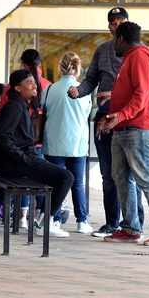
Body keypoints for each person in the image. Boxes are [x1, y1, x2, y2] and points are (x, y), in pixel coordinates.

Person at [68, 7, 144, 238]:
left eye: (120, 21)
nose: (115, 25)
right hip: (103, 118)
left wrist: (116, 96)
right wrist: (78, 91)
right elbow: (91, 80)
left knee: (131, 171)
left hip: (128, 119)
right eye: (112, 22)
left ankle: (134, 222)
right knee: (108, 173)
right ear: (109, 26)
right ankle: (113, 223)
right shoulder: (102, 50)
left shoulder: (140, 54)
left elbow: (142, 88)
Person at [99, 22, 149, 246]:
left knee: (144, 177)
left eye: (114, 38)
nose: (113, 43)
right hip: (123, 128)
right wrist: (112, 108)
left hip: (139, 129)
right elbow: (133, 92)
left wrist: (120, 116)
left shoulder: (140, 56)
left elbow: (141, 95)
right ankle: (131, 228)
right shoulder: (130, 57)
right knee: (121, 178)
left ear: (121, 38)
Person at [0, 69, 74, 238]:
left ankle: (45, 220)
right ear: (17, 88)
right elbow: (2, 138)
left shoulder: (20, 105)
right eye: (29, 82)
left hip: (20, 161)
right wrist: (24, 159)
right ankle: (47, 222)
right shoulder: (14, 107)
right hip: (16, 165)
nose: (34, 84)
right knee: (66, 177)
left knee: (61, 176)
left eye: (33, 81)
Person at [42, 52, 93, 234]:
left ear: (60, 67)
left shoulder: (49, 89)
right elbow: (87, 114)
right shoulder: (84, 91)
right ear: (78, 68)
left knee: (55, 184)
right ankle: (82, 221)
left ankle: (54, 219)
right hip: (77, 143)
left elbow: (44, 109)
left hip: (54, 143)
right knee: (77, 184)